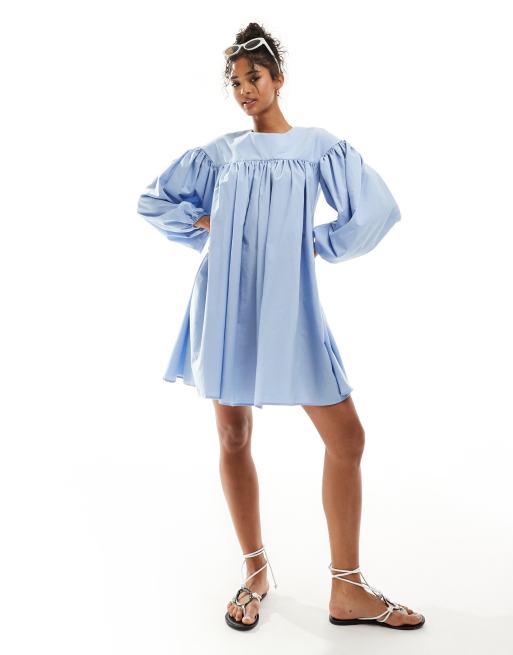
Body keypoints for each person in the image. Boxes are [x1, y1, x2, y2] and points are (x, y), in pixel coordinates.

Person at [137, 21, 425, 632]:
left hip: (290, 304)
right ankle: (256, 571)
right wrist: (206, 225)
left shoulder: (317, 147)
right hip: (225, 302)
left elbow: (375, 209)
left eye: (254, 78)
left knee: (346, 438)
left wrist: (313, 242)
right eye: (235, 82)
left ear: (278, 79)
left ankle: (348, 587)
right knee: (233, 436)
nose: (244, 90)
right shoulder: (219, 153)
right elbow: (154, 201)